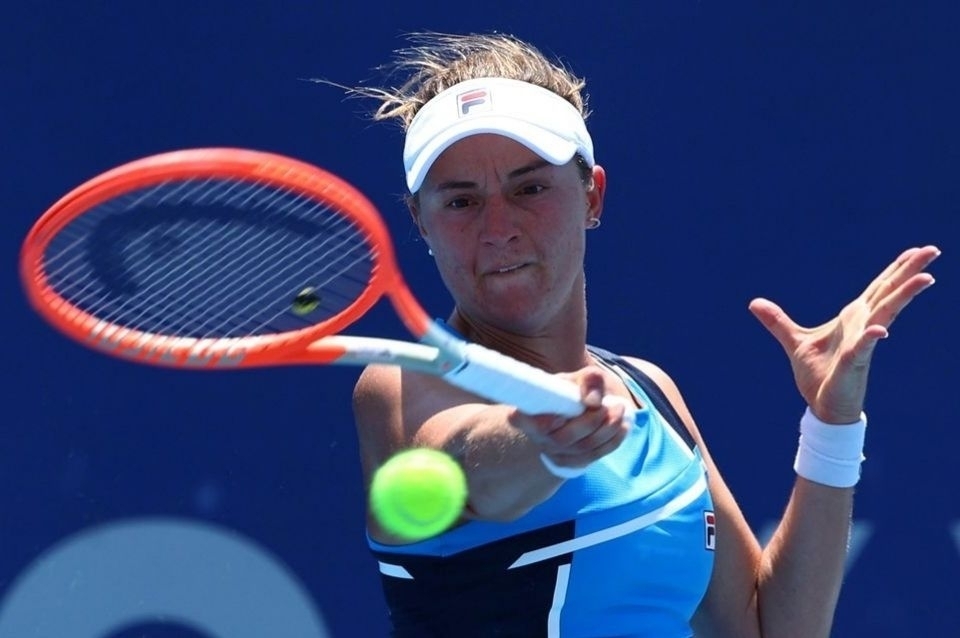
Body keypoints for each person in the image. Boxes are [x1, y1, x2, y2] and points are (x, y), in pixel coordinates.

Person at [346, 32, 940, 637]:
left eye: (530, 188)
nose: (498, 228)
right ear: (421, 221)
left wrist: (832, 426)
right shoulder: (402, 384)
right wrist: (540, 437)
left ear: (593, 196)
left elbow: (767, 631)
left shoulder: (647, 391)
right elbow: (465, 465)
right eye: (461, 202)